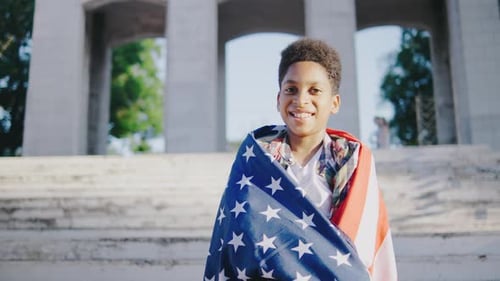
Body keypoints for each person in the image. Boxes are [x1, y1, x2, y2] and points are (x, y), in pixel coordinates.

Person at [204, 38, 397, 281]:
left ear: (334, 103)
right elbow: (237, 238)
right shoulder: (256, 157)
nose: (301, 100)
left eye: (314, 90)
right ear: (278, 99)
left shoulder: (352, 162)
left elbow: (355, 251)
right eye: (291, 89)